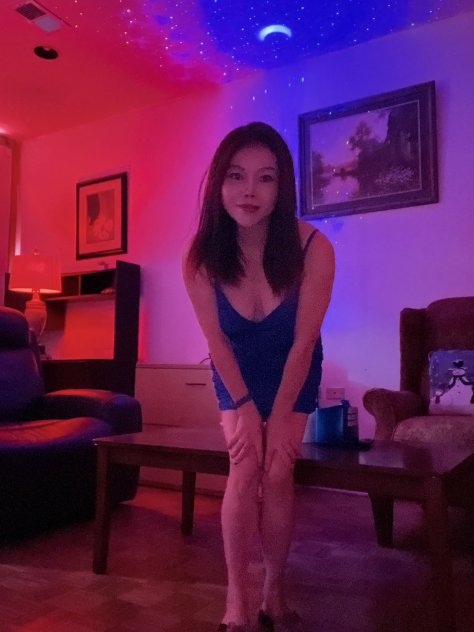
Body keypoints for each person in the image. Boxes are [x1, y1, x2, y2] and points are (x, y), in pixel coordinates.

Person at [182, 122, 335, 632]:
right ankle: (237, 597)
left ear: (281, 186)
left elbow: (303, 343)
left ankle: (274, 589)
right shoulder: (200, 256)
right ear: (218, 183)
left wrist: (278, 418)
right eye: (236, 176)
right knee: (244, 466)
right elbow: (216, 342)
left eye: (265, 178)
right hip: (235, 371)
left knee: (278, 468)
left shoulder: (315, 248)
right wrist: (246, 409)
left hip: (294, 368)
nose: (249, 191)